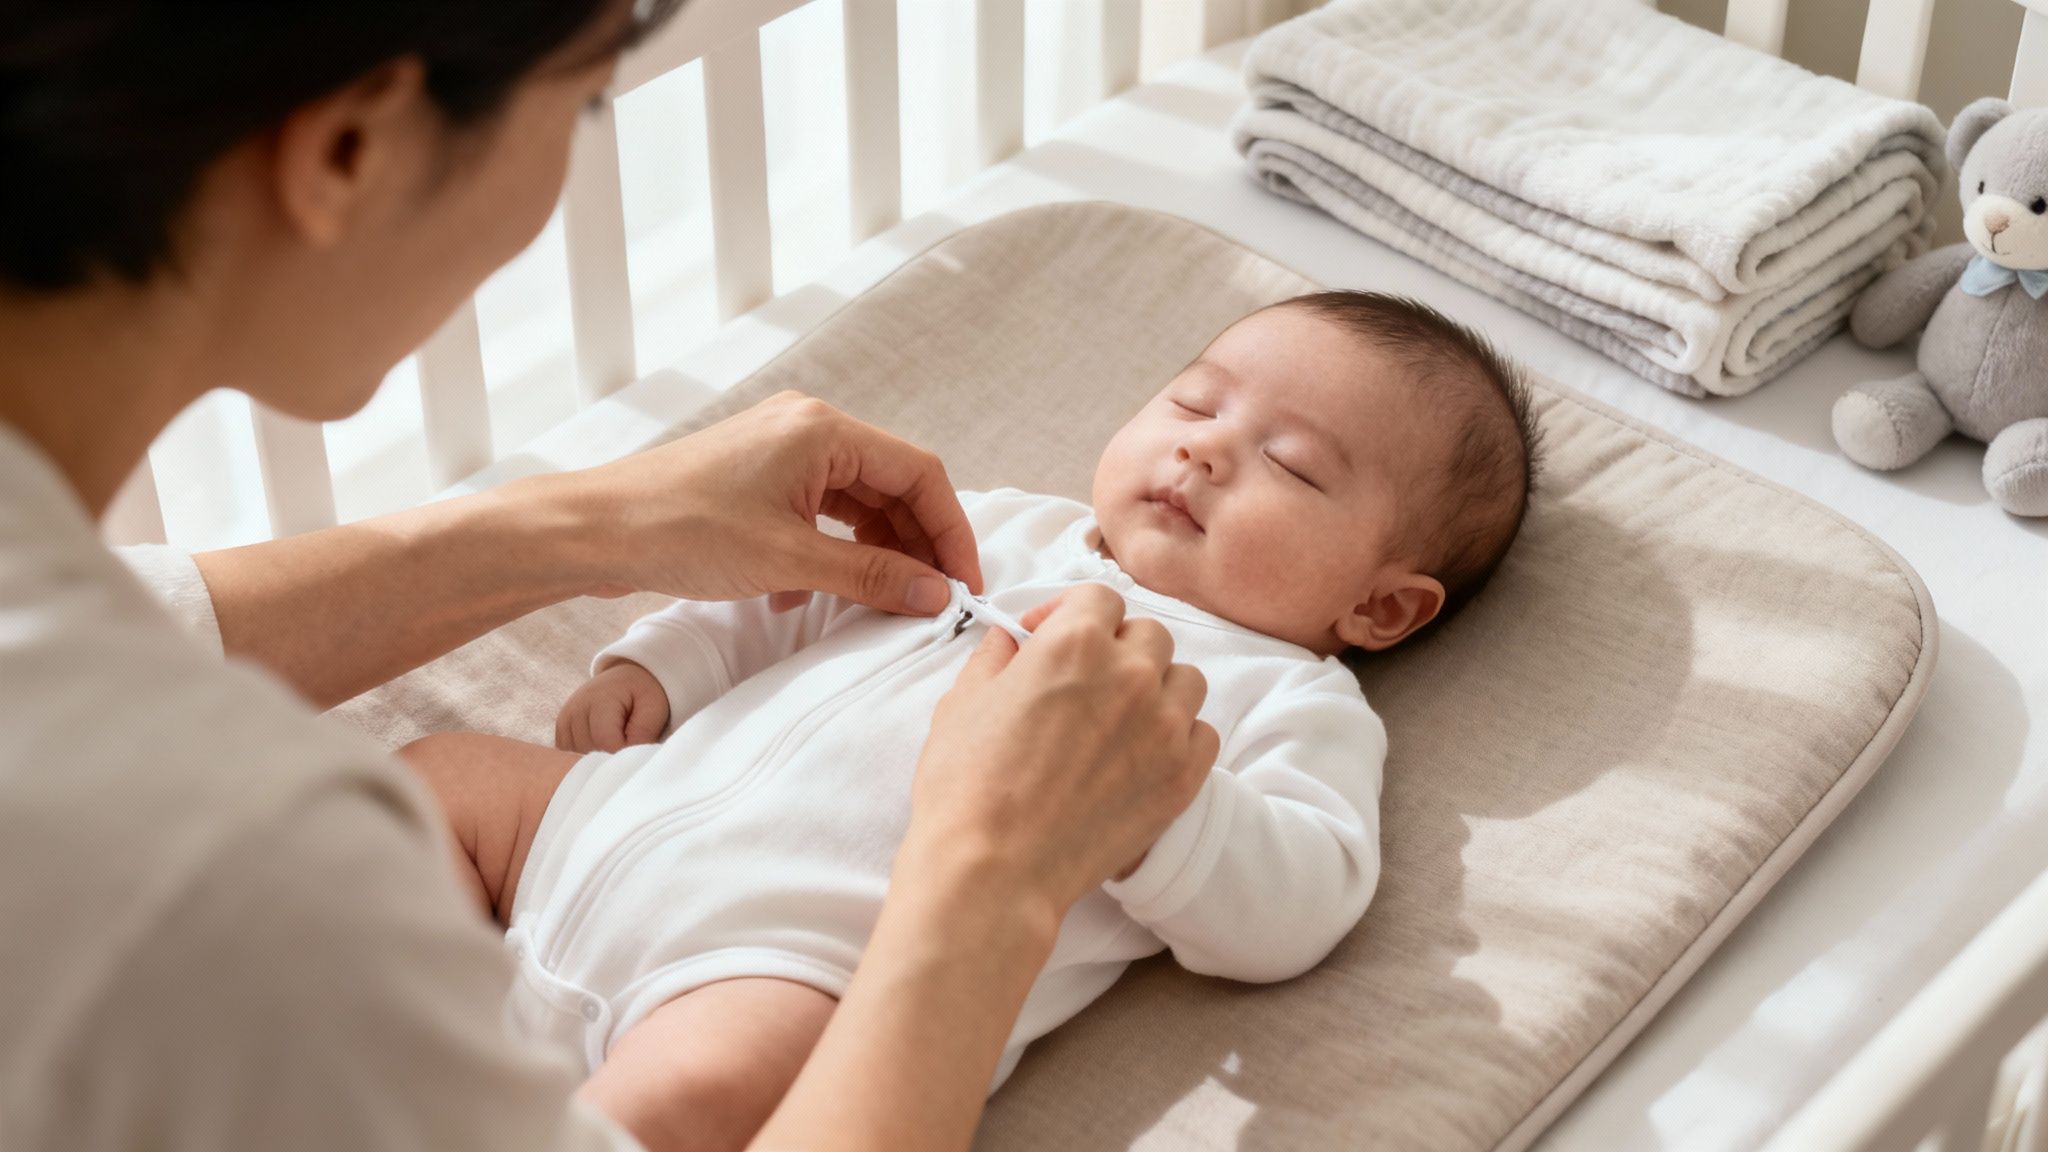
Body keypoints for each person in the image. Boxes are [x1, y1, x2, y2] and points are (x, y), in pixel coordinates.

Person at [0, 3, 1218, 1150]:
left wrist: (596, 523)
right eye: (586, 103)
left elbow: (118, 618)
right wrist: (993, 870)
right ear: (348, 150)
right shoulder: (217, 875)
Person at [407, 290, 1545, 1151]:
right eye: (1195, 402)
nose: (1202, 446)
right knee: (435, 776)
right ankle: (377, 1004)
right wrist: (668, 662)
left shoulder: (1286, 698)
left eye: (1289, 468)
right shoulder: (999, 530)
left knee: (703, 1097)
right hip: (602, 823)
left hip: (783, 969)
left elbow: (1305, 897)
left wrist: (1158, 810)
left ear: (1379, 606)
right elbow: (794, 597)